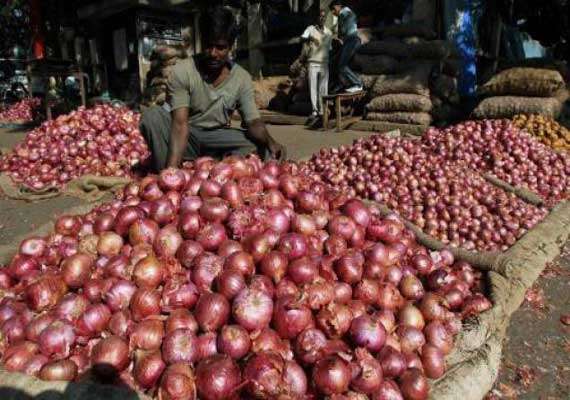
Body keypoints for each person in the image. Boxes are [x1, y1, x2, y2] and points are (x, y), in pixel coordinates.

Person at [140, 6, 286, 172]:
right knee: (152, 117)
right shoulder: (183, 70)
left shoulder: (242, 78)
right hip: (188, 135)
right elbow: (180, 124)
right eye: (208, 46)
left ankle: (209, 166)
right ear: (202, 42)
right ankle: (171, 171)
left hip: (218, 137)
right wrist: (172, 173)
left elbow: (253, 122)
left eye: (220, 47)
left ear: (230, 46)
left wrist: (271, 142)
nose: (213, 53)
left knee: (260, 146)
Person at [300, 9, 333, 127]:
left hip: (324, 63)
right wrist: (311, 38)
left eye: (324, 17)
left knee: (323, 88)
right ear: (317, 18)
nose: (322, 18)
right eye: (320, 16)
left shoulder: (329, 32)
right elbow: (302, 38)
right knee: (313, 88)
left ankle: (322, 110)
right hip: (312, 62)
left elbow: (329, 48)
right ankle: (314, 111)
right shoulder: (310, 29)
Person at [329, 0, 363, 93]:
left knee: (342, 66)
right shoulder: (343, 15)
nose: (333, 12)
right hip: (348, 42)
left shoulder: (345, 12)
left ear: (338, 6)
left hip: (352, 41)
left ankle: (357, 84)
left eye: (333, 9)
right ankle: (341, 84)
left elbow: (344, 30)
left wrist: (339, 35)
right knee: (334, 62)